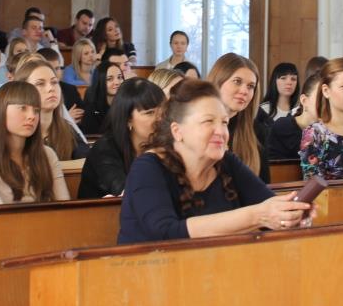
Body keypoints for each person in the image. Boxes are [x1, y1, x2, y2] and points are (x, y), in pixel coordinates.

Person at [117, 80, 314, 243]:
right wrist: (256, 216)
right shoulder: (148, 168)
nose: (221, 131)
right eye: (208, 121)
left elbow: (266, 205)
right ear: (177, 131)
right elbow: (166, 233)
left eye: (224, 122)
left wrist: (290, 214)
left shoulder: (227, 162)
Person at [0, 81, 70, 203]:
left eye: (36, 110)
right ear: (1, 111)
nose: (32, 116)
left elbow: (64, 205)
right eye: (23, 108)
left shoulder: (48, 154)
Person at [79, 78, 165, 198]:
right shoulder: (105, 149)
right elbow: (125, 191)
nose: (160, 119)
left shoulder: (166, 144)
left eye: (163, 111)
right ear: (128, 119)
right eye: (150, 113)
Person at [207, 53, 270, 183]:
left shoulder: (257, 131)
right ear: (218, 81)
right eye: (237, 81)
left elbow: (263, 186)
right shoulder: (197, 126)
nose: (244, 91)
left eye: (250, 86)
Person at [13, 59, 87, 160]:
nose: (51, 88)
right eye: (40, 84)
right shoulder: (15, 132)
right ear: (23, 91)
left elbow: (85, 157)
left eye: (54, 82)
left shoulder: (65, 127)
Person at [266, 73, 322, 162]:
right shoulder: (282, 127)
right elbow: (273, 167)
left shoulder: (333, 131)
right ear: (304, 100)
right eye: (321, 99)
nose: (327, 105)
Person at [37, 47, 84, 123]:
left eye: (57, 68)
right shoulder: (35, 91)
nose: (55, 73)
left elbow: (81, 115)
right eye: (50, 69)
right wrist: (66, 118)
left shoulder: (71, 89)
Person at [81, 61, 125, 134]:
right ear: (100, 81)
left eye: (119, 77)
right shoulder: (92, 110)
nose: (117, 82)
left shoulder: (127, 103)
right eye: (110, 79)